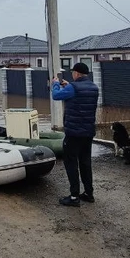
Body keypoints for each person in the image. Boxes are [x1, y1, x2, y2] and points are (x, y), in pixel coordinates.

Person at [51, 62, 100, 207]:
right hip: (88, 131)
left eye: (73, 72)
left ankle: (74, 197)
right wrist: (69, 86)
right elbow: (80, 97)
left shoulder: (73, 87)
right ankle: (89, 193)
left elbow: (56, 96)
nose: (72, 74)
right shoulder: (94, 87)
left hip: (73, 133)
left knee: (71, 163)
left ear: (77, 74)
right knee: (85, 162)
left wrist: (55, 84)